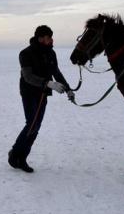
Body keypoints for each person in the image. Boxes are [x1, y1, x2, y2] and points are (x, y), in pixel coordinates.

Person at [8, 25, 75, 173]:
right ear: (40, 38)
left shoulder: (51, 53)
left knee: (36, 127)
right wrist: (48, 83)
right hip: (29, 92)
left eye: (51, 37)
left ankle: (22, 158)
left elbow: (56, 72)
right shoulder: (25, 53)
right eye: (49, 37)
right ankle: (14, 153)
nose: (52, 39)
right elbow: (28, 76)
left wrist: (68, 89)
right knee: (31, 124)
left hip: (43, 94)